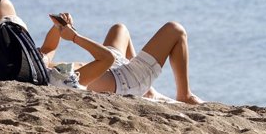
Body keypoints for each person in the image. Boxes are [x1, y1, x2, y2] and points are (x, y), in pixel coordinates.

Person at [39, 13, 203, 104]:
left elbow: (48, 48)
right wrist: (74, 37)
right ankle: (184, 95)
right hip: (126, 81)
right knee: (175, 30)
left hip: (111, 68)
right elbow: (107, 58)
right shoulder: (60, 80)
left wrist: (59, 26)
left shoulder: (38, 66)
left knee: (119, 29)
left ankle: (149, 90)